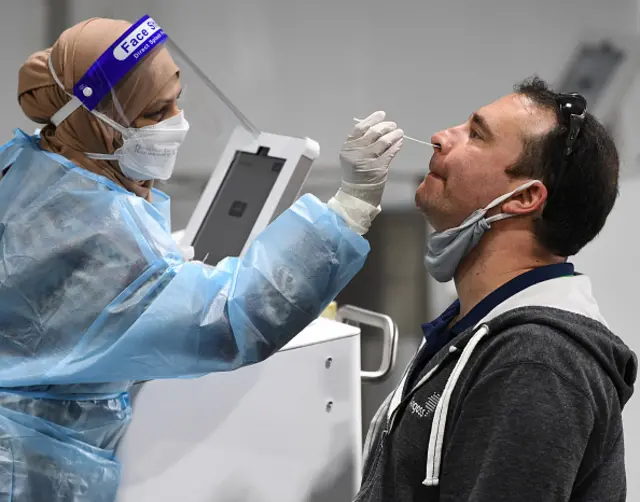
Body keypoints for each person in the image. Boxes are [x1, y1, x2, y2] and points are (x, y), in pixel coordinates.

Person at [0, 16, 404, 501]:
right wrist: (351, 206)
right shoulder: (99, 227)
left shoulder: (35, 166)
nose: (177, 121)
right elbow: (231, 319)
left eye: (176, 100)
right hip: (28, 469)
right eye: (155, 111)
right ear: (100, 124)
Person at [355, 77, 637, 502]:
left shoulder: (536, 361)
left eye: (476, 135)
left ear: (523, 199)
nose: (439, 137)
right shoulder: (473, 330)